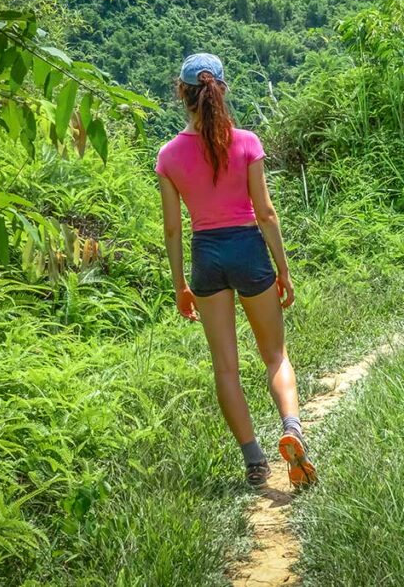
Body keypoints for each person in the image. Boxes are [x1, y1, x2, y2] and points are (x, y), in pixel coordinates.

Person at [155, 53, 317, 490]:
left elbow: (173, 229)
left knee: (225, 368)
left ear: (182, 94)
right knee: (275, 356)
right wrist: (282, 269)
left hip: (206, 256)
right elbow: (265, 213)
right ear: (221, 90)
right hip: (248, 249)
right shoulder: (246, 142)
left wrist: (180, 286)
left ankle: (254, 461)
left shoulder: (168, 156)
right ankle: (292, 428)